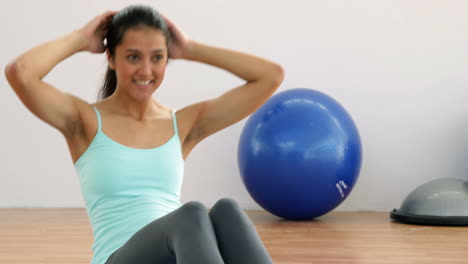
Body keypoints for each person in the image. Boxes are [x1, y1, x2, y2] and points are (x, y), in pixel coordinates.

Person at [5, 5, 284, 264]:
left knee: (227, 211)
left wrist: (190, 48)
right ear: (111, 58)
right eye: (133, 57)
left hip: (177, 253)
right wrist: (80, 38)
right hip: (117, 257)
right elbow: (21, 72)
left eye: (157, 57)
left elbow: (271, 76)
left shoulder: (182, 124)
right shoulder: (85, 122)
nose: (146, 70)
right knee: (191, 214)